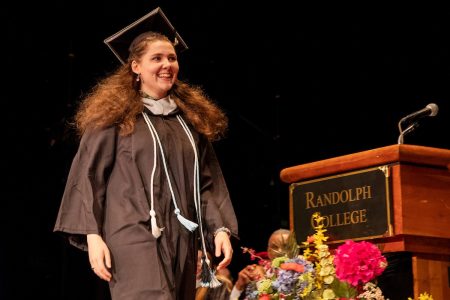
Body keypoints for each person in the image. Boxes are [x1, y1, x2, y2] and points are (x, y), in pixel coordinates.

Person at [53, 7, 238, 300]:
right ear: (136, 67)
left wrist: (219, 229)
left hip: (182, 237)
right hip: (132, 234)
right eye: (157, 58)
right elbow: (88, 177)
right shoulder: (114, 118)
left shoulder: (188, 122)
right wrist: (93, 235)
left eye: (172, 58)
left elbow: (206, 184)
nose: (167, 64)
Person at [229, 229, 291, 300]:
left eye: (286, 246)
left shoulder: (302, 275)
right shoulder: (258, 273)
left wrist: (262, 282)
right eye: (275, 247)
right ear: (268, 251)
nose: (280, 251)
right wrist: (239, 286)